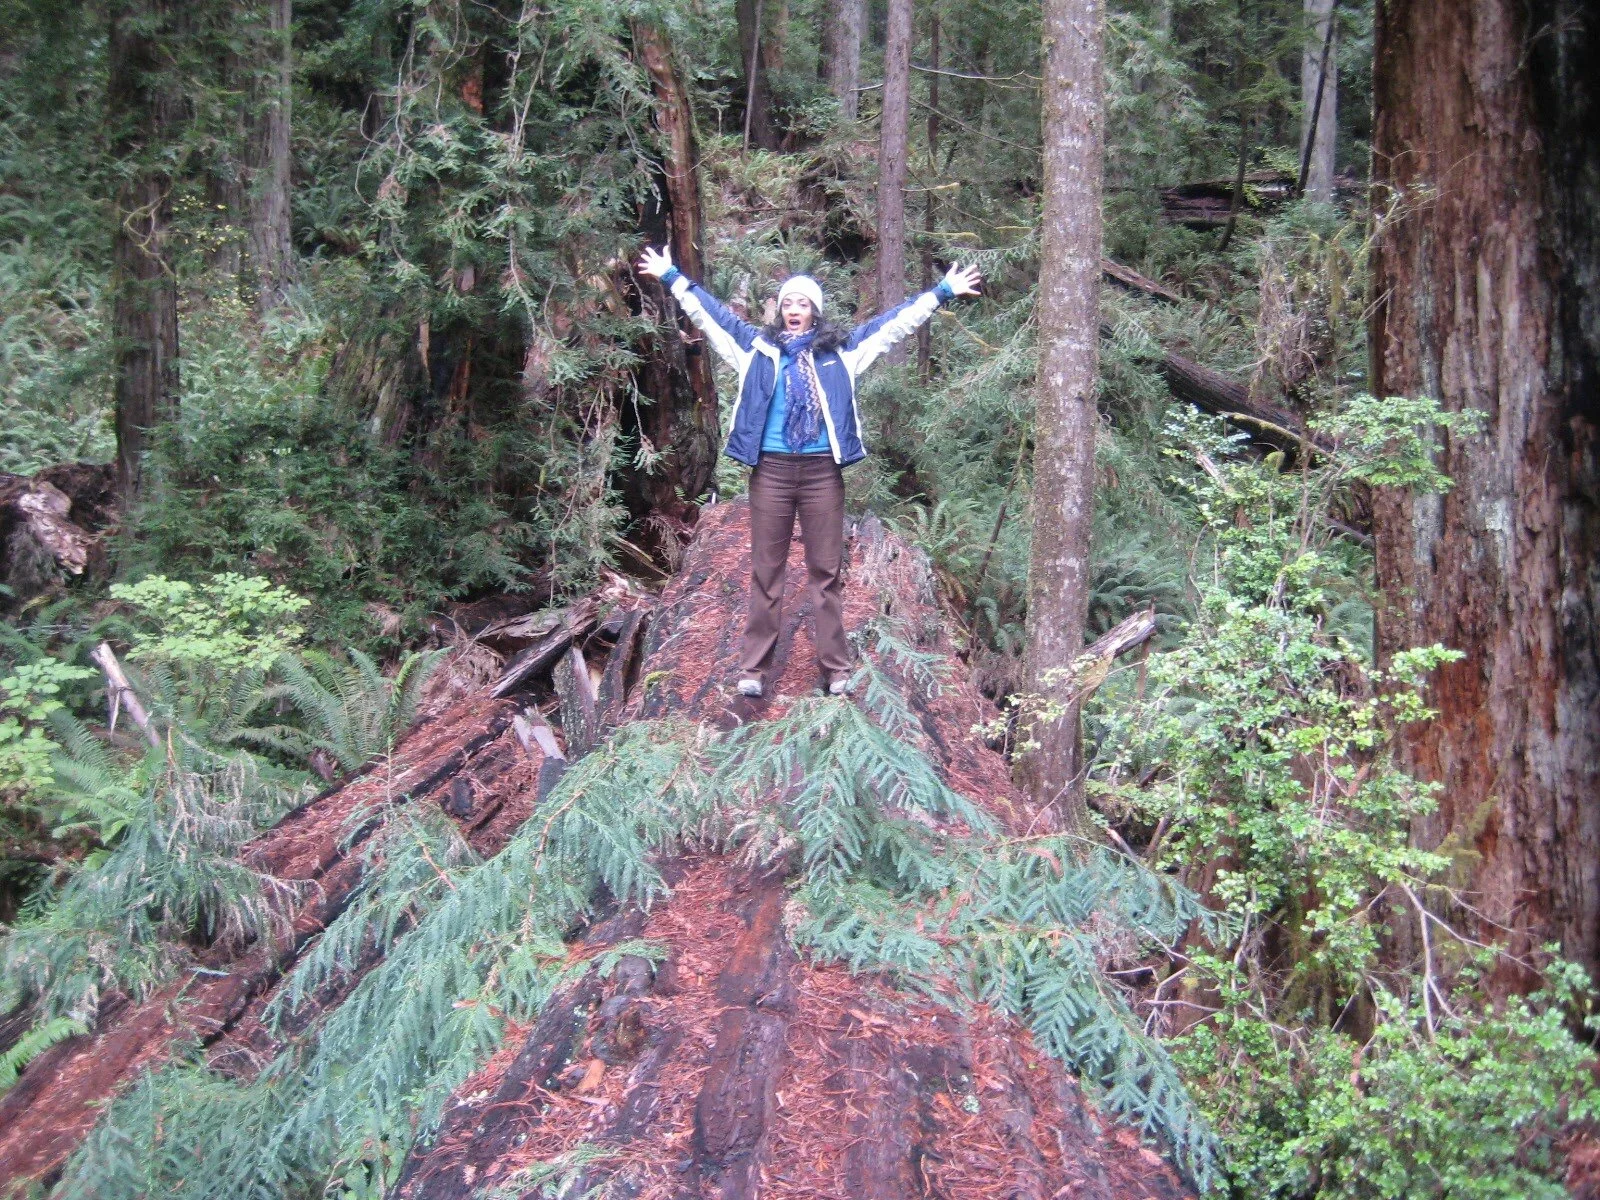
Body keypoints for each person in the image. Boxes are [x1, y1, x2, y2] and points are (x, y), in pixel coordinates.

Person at [636, 245, 983, 698]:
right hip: (771, 472)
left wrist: (942, 291)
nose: (794, 309)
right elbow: (710, 314)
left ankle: (835, 669)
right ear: (780, 311)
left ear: (814, 311)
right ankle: (754, 669)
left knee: (825, 573)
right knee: (767, 572)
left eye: (802, 303)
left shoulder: (842, 352)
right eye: (787, 303)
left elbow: (895, 324)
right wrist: (671, 276)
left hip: (822, 474)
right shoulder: (756, 349)